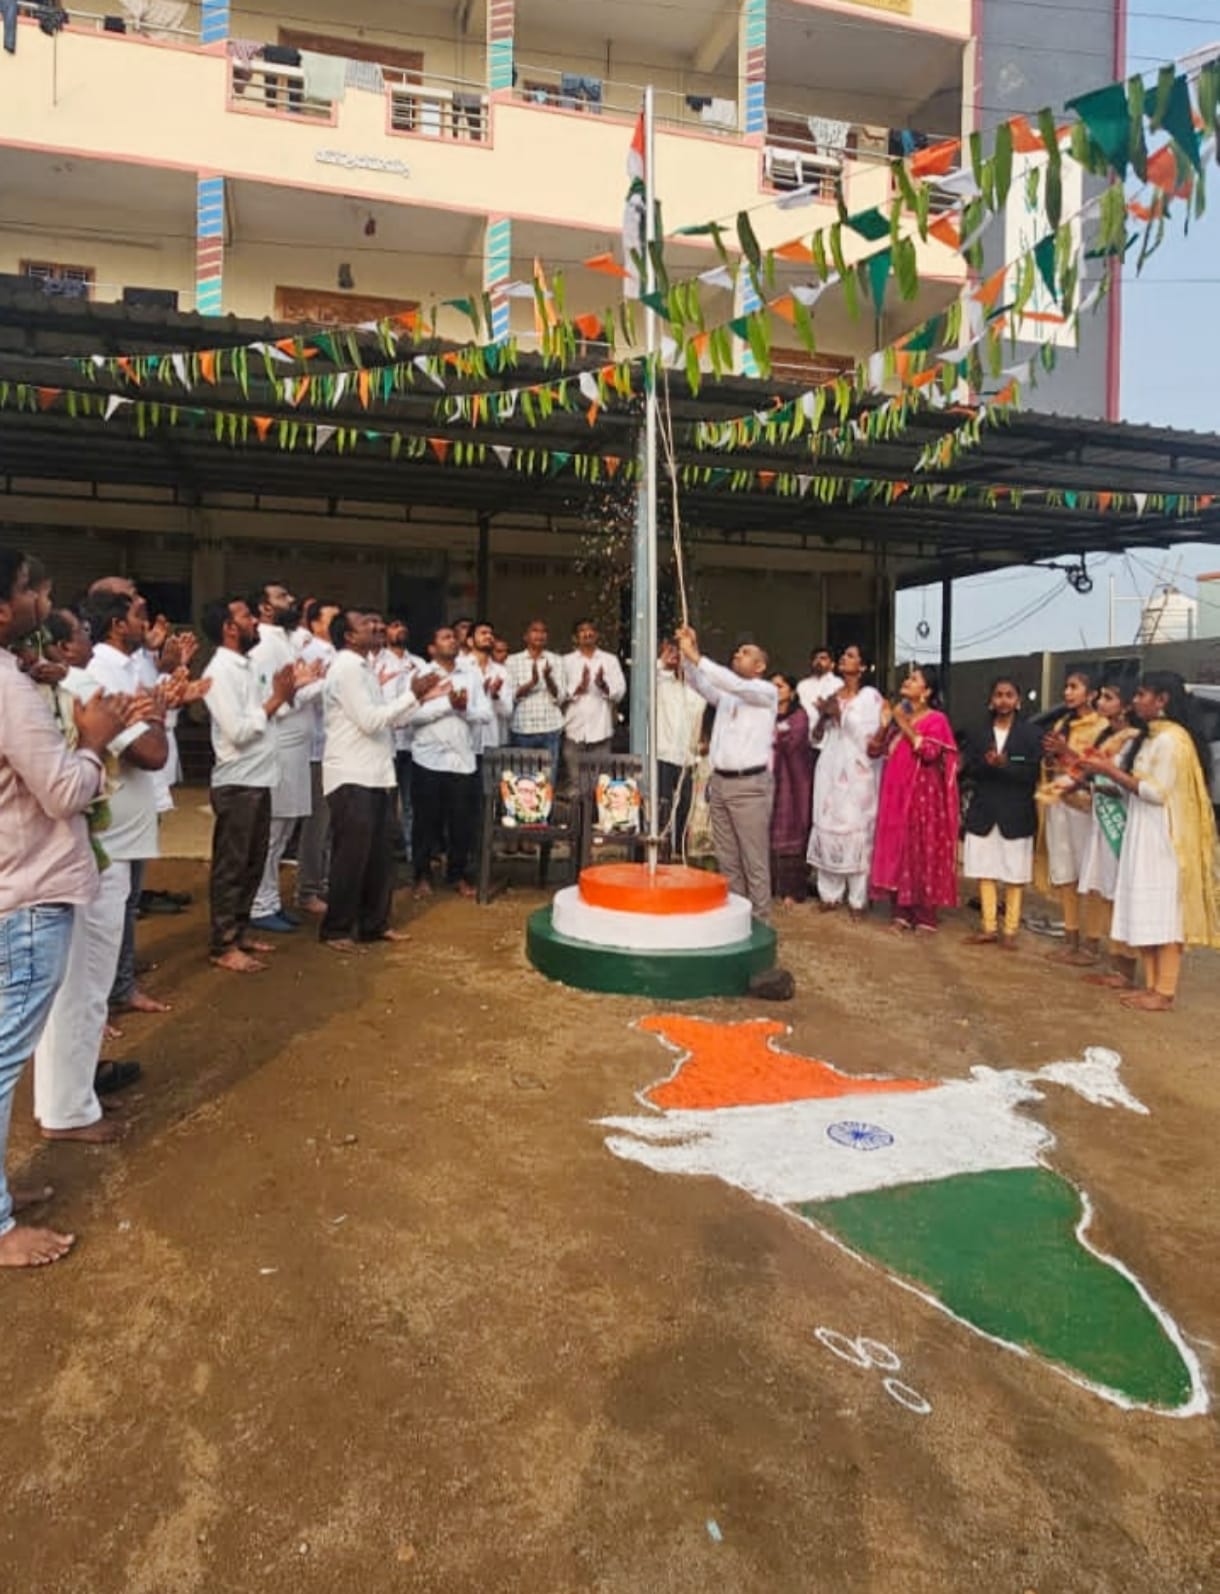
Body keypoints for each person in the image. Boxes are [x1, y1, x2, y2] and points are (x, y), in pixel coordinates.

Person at [0, 548, 128, 1266]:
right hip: (28, 894)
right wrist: (93, 745)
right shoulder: (8, 687)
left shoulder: (14, 678)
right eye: (32, 591)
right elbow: (62, 793)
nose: (45, 603)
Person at [33, 591, 170, 1146]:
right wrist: (155, 716)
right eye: (81, 633)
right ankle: (68, 1110)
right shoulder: (82, 685)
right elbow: (154, 753)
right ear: (62, 647)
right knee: (85, 981)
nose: (89, 640)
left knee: (78, 983)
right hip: (95, 852)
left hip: (88, 849)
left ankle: (71, 1094)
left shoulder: (52, 685)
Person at [1081, 671, 1220, 1011]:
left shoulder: (1173, 740)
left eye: (1142, 694)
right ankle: (1152, 987)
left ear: (1162, 700)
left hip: (1163, 838)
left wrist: (1111, 771)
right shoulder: (1151, 737)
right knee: (1143, 906)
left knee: (1164, 912)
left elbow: (1156, 793)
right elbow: (1133, 789)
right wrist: (1102, 777)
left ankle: (1165, 990)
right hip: (1141, 831)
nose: (1136, 700)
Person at [321, 609, 436, 950]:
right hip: (352, 774)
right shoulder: (346, 668)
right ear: (349, 636)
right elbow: (371, 721)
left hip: (375, 773)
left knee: (379, 855)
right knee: (351, 857)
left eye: (376, 622)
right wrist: (412, 695)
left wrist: (416, 698)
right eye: (366, 624)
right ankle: (336, 929)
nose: (377, 626)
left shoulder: (364, 668)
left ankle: (374, 924)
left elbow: (387, 720)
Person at [202, 597, 297, 973]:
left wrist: (287, 694)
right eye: (246, 616)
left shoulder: (248, 665)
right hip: (237, 780)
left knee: (252, 863)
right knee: (232, 866)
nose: (255, 621)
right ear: (229, 627)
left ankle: (239, 932)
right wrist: (275, 700)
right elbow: (238, 731)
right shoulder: (219, 672)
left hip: (259, 777)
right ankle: (222, 944)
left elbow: (270, 711)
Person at [677, 625, 778, 921]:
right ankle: (738, 917)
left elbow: (731, 683)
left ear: (759, 667)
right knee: (728, 858)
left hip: (749, 786)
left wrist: (696, 656)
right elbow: (699, 684)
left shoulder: (765, 692)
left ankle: (761, 920)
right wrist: (688, 653)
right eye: (738, 651)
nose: (737, 653)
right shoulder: (728, 697)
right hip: (720, 783)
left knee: (754, 860)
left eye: (745, 653)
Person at [248, 581, 325, 933]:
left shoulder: (285, 642)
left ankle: (270, 901)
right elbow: (272, 703)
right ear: (265, 608)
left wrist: (309, 683)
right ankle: (259, 905)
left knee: (281, 834)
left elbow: (291, 693)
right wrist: (315, 685)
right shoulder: (265, 646)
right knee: (271, 832)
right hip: (278, 747)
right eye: (282, 596)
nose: (291, 599)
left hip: (296, 750)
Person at [869, 664, 960, 933]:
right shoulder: (899, 717)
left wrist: (902, 722)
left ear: (927, 691)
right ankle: (900, 913)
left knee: (920, 850)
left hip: (921, 797)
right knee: (897, 848)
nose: (907, 681)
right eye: (908, 677)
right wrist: (885, 725)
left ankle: (924, 915)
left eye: (914, 679)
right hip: (895, 796)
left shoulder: (936, 720)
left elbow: (930, 752)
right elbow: (873, 751)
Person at [961, 677, 1041, 951]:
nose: (1003, 700)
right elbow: (969, 769)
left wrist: (1006, 765)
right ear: (991, 700)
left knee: (1014, 872)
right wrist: (987, 765)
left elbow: (1032, 771)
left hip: (1016, 809)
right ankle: (988, 927)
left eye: (1009, 695)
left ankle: (1010, 929)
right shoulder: (977, 732)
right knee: (985, 869)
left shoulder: (1031, 734)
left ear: (1018, 701)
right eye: (998, 695)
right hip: (985, 808)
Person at [410, 625, 489, 899]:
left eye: (454, 637)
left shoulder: (470, 674)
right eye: (445, 637)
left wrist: (463, 709)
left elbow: (485, 714)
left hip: (461, 759)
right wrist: (446, 706)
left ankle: (457, 875)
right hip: (427, 758)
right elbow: (409, 716)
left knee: (461, 822)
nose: (453, 641)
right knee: (425, 822)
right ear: (432, 648)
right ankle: (421, 875)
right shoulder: (420, 674)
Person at [806, 644, 884, 916]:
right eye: (844, 654)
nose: (843, 657)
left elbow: (870, 740)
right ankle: (830, 893)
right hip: (830, 767)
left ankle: (858, 899)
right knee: (827, 823)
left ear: (861, 667)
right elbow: (816, 737)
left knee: (856, 829)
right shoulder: (833, 695)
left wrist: (839, 714)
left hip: (857, 773)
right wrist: (823, 716)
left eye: (850, 655)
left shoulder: (870, 697)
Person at [1035, 669, 1105, 963]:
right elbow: (1054, 765)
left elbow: (1099, 769)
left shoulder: (1101, 726)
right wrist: (1051, 757)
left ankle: (1092, 942)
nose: (1067, 693)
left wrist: (1066, 751)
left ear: (1092, 694)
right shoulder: (1062, 723)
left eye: (1074, 687)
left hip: (1085, 807)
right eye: (1066, 687)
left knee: (1090, 873)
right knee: (1065, 871)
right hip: (1059, 801)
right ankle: (1070, 937)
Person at [1075, 677, 1141, 990]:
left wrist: (1100, 779)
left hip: (1122, 822)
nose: (1100, 702)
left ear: (1125, 706)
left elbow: (1128, 784)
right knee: (1102, 889)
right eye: (1100, 696)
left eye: (1108, 697)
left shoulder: (1134, 740)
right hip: (1101, 821)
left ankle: (1125, 967)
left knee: (1119, 892)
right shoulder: (1106, 737)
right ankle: (1108, 958)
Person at [294, 598, 339, 918]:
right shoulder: (309, 653)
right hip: (315, 749)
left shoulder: (338, 654)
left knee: (332, 823)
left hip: (336, 748)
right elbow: (298, 696)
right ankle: (308, 889)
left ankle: (324, 881)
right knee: (316, 824)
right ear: (315, 623)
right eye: (331, 619)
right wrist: (328, 683)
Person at [377, 615, 424, 865]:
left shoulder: (418, 663)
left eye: (403, 625)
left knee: (410, 802)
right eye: (395, 626)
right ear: (385, 631)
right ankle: (383, 855)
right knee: (384, 802)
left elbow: (425, 697)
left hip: (412, 741)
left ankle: (410, 852)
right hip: (385, 742)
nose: (400, 629)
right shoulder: (375, 662)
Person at [560, 619, 627, 792]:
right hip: (574, 730)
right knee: (576, 785)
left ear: (597, 635)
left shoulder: (609, 660)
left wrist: (603, 685)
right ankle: (578, 811)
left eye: (590, 630)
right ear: (576, 637)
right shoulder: (566, 661)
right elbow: (558, 695)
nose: (587, 633)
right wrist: (579, 687)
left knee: (600, 786)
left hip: (601, 730)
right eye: (582, 631)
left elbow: (620, 691)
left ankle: (596, 811)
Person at [656, 638, 706, 851]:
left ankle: (679, 851)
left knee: (685, 806)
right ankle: (661, 849)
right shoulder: (661, 682)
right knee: (662, 805)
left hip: (688, 757)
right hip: (663, 754)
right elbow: (647, 677)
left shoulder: (698, 689)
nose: (678, 657)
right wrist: (663, 661)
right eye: (673, 652)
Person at [769, 673, 814, 905]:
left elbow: (791, 742)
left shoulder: (799, 716)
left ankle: (791, 891)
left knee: (791, 832)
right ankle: (770, 887)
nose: (775, 689)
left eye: (780, 685)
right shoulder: (764, 714)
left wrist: (774, 736)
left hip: (792, 782)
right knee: (766, 832)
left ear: (792, 692)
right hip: (767, 779)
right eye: (772, 685)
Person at [506, 618, 566, 787]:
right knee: (523, 782)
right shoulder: (512, 661)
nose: (540, 635)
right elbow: (510, 695)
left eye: (543, 631)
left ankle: (547, 806)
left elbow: (561, 697)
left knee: (547, 782)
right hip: (522, 728)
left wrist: (548, 679)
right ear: (525, 636)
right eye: (535, 630)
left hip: (550, 727)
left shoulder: (557, 660)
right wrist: (532, 683)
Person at [796, 645, 843, 724]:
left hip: (830, 728)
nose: (818, 661)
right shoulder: (802, 685)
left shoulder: (838, 683)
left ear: (832, 664)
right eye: (815, 658)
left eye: (823, 658)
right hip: (806, 728)